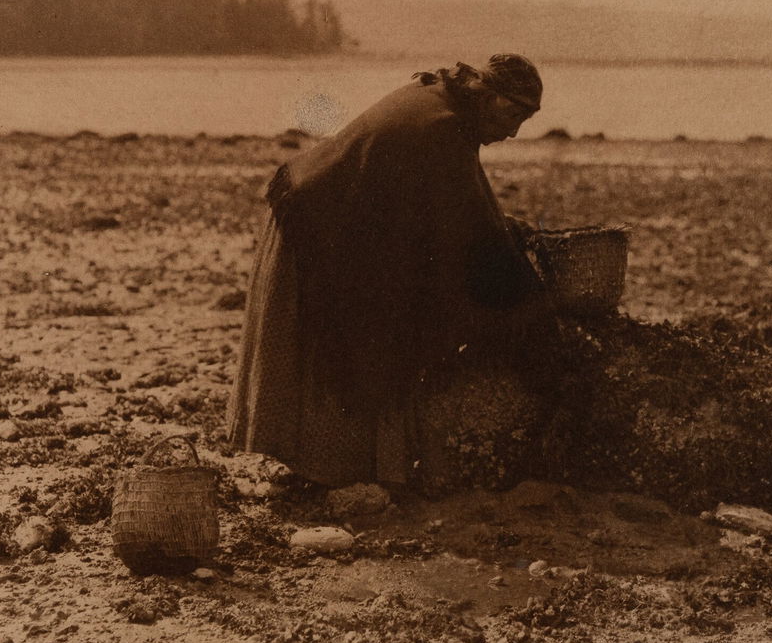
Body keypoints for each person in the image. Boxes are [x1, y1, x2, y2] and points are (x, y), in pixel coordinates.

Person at [227, 53, 548, 490]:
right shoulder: (445, 126)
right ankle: (329, 470)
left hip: (325, 208)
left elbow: (463, 200)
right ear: (485, 94)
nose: (513, 131)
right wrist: (526, 289)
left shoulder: (444, 100)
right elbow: (467, 233)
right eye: (511, 115)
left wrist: (501, 231)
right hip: (313, 224)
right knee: (346, 337)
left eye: (523, 121)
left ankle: (329, 467)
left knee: (359, 330)